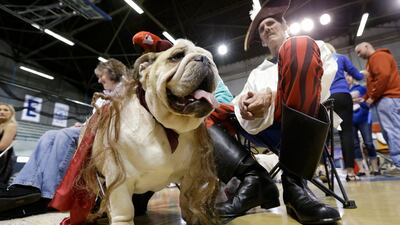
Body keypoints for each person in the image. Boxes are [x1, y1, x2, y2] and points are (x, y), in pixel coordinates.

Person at [214, 0, 341, 224]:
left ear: (285, 26)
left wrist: (271, 97)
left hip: (303, 128)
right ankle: (253, 181)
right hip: (265, 132)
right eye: (262, 29)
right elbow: (240, 101)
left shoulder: (315, 46)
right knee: (206, 111)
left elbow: (318, 89)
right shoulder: (256, 72)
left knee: (298, 48)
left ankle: (294, 186)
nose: (267, 29)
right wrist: (244, 104)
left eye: (271, 23)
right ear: (262, 40)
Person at [0, 58, 128, 219]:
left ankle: (49, 192)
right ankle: (25, 184)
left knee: (64, 134)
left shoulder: (126, 91)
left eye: (101, 75)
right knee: (48, 135)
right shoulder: (103, 97)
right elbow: (93, 118)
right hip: (91, 129)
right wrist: (82, 124)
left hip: (109, 134)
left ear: (112, 72)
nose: (99, 79)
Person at [354, 42, 400, 176]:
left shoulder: (378, 57)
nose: (358, 55)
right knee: (392, 130)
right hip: (387, 99)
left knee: (391, 131)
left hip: (387, 98)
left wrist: (372, 97)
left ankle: (399, 164)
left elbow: (383, 77)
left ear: (367, 46)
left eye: (359, 51)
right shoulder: (372, 61)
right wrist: (365, 98)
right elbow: (374, 82)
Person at [325, 43, 364, 181]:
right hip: (342, 96)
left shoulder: (319, 61)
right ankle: (350, 172)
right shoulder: (341, 58)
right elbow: (358, 76)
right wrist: (363, 73)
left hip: (326, 100)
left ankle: (323, 169)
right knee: (346, 133)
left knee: (325, 134)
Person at [346, 75, 380, 176]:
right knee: (355, 145)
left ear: (353, 77)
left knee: (369, 143)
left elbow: (366, 102)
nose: (347, 78)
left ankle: (375, 167)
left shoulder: (361, 88)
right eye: (346, 76)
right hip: (350, 120)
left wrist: (361, 101)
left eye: (349, 76)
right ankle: (361, 169)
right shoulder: (343, 91)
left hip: (364, 119)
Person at [0, 103, 17, 186]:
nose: (2, 112)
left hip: (4, 160)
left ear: (11, 113)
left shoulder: (11, 125)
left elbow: (2, 146)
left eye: (5, 110)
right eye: (0, 110)